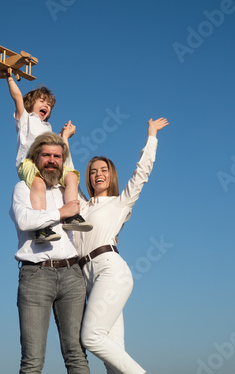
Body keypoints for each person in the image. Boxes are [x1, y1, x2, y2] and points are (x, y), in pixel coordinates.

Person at [77, 117, 169, 374]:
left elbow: (142, 173)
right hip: (90, 279)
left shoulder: (120, 203)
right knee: (112, 359)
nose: (98, 174)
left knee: (91, 337)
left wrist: (152, 135)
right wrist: (63, 140)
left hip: (110, 271)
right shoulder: (82, 207)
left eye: (103, 170)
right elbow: (67, 175)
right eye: (93, 171)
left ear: (111, 175)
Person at [10, 131, 91, 374]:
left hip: (72, 275)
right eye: (46, 155)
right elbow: (24, 220)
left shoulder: (67, 190)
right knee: (32, 361)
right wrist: (61, 213)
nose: (52, 160)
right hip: (36, 275)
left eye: (57, 156)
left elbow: (91, 214)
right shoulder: (23, 188)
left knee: (77, 355)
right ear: (36, 158)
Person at [0, 69, 92, 243]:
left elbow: (60, 154)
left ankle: (71, 216)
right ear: (31, 105)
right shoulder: (25, 119)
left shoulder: (48, 128)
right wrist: (9, 77)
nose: (46, 106)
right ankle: (42, 229)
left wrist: (64, 136)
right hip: (29, 164)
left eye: (49, 105)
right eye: (42, 102)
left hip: (48, 163)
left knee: (71, 176)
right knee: (38, 183)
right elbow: (17, 97)